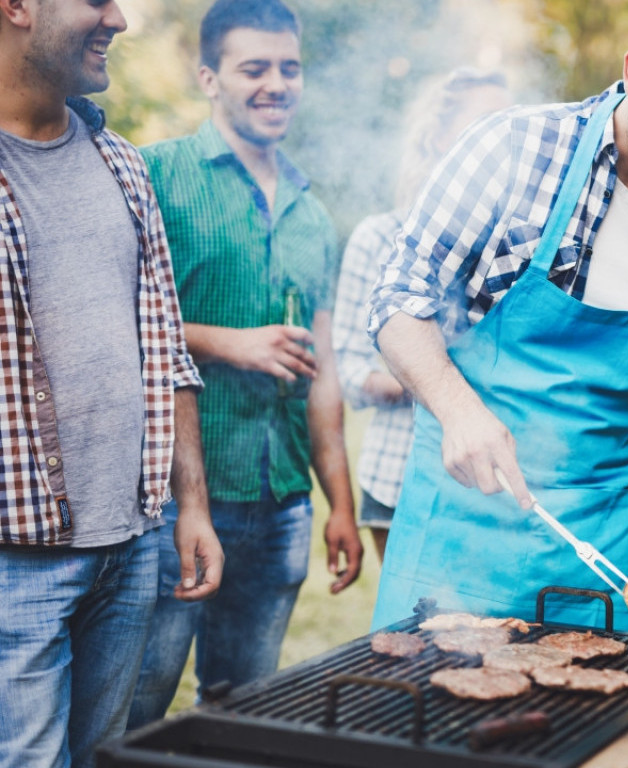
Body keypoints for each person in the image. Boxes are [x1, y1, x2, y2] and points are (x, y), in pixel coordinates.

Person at [367, 0, 628, 633]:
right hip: (455, 531)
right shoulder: (513, 149)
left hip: (595, 554)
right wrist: (459, 410)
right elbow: (399, 295)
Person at [127, 0, 363, 728]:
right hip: (174, 501)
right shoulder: (155, 175)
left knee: (240, 714)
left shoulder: (313, 214)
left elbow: (321, 373)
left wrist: (340, 505)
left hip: (282, 505)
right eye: (253, 68)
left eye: (289, 68)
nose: (276, 84)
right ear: (209, 77)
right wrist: (231, 342)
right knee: (135, 707)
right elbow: (113, 318)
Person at [0, 0, 223, 764]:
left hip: (132, 544)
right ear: (18, 7)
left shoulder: (122, 163)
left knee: (104, 759)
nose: (120, 19)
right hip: (14, 562)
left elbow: (163, 349)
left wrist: (190, 504)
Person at [334, 67, 512, 562]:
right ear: (437, 138)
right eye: (483, 126)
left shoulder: (516, 248)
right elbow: (351, 373)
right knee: (416, 633)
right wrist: (438, 374)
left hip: (492, 484)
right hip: (398, 480)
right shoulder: (377, 237)